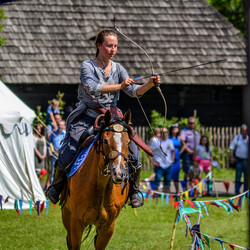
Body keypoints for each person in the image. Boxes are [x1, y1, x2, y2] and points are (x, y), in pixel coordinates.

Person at [46, 29, 161, 207]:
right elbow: (92, 87)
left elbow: (132, 91)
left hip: (112, 117)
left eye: (115, 46)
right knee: (69, 150)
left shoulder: (119, 68)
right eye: (109, 45)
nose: (112, 49)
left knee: (135, 154)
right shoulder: (87, 66)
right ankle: (56, 186)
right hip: (87, 115)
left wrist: (149, 84)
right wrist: (120, 85)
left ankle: (134, 191)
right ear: (99, 46)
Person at [150, 128, 175, 193]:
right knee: (157, 182)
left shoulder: (170, 141)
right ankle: (156, 196)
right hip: (159, 165)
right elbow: (149, 152)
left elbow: (173, 151)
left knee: (168, 183)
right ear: (160, 133)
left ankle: (167, 197)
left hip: (168, 165)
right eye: (163, 132)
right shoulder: (156, 142)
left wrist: (172, 160)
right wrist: (153, 162)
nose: (165, 134)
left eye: (166, 132)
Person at [180, 117, 200, 187]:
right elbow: (183, 143)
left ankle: (194, 188)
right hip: (187, 154)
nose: (192, 124)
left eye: (193, 123)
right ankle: (185, 188)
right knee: (187, 172)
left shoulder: (196, 132)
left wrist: (196, 152)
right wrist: (190, 151)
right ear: (188, 123)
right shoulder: (184, 131)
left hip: (196, 154)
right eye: (190, 123)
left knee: (195, 172)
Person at [230, 124, 248, 194]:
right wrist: (232, 158)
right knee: (238, 177)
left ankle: (245, 192)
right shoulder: (237, 138)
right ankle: (237, 192)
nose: (244, 132)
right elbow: (232, 148)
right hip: (239, 161)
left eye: (245, 131)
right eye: (243, 131)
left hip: (247, 161)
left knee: (247, 178)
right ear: (241, 131)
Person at [48, 120, 66, 185]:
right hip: (54, 154)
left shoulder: (66, 134)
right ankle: (51, 187)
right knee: (53, 171)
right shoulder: (53, 133)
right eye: (59, 125)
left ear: (64, 126)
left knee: (62, 171)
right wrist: (49, 153)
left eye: (62, 125)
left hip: (62, 155)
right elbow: (49, 143)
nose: (60, 126)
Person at [169, 123, 185, 194]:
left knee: (176, 176)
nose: (175, 130)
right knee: (168, 175)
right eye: (173, 129)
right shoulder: (169, 137)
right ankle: (167, 191)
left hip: (177, 159)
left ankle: (177, 191)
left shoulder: (179, 138)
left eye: (176, 128)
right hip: (170, 158)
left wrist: (180, 152)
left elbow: (184, 146)